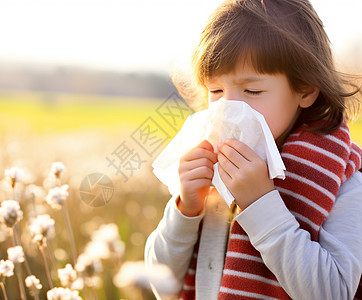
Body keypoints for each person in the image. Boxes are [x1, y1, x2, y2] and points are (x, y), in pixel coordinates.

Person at [144, 0, 362, 299]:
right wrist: (186, 209)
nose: (228, 108)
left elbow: (333, 292)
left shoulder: (344, 183)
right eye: (216, 91)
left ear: (306, 89)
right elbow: (160, 283)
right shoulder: (213, 171)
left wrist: (261, 204)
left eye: (252, 91)